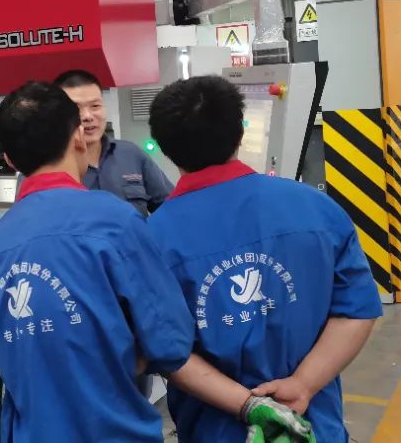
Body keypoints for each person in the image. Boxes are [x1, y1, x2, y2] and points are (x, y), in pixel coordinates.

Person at [0, 81, 314, 443]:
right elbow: (169, 343)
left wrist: (19, 355)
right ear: (77, 137)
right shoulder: (114, 221)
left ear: (9, 160)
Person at [146, 76, 383, 443]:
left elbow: (167, 351)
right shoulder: (318, 209)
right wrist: (303, 384)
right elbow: (356, 310)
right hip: (312, 429)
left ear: (164, 147)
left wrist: (249, 405)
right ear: (240, 132)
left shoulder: (153, 239)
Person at [50, 69, 174, 217]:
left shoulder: (131, 154)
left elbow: (171, 209)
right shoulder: (48, 167)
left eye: (95, 106)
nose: (87, 116)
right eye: (75, 109)